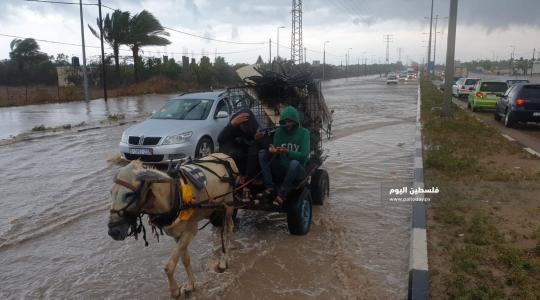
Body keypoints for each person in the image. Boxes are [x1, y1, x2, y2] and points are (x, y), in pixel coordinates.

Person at [258, 106, 310, 206]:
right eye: (285, 121)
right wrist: (273, 150)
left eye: (290, 121)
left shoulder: (304, 133)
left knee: (294, 163)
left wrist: (287, 152)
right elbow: (277, 150)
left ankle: (282, 194)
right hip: (281, 168)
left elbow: (304, 155)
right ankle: (270, 187)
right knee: (262, 153)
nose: (287, 124)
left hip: (297, 170)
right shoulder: (278, 132)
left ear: (295, 121)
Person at [218, 108, 263, 201]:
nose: (243, 128)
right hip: (235, 156)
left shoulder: (253, 127)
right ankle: (235, 181)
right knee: (231, 151)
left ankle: (247, 185)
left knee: (254, 150)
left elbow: (259, 142)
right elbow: (220, 139)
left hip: (249, 160)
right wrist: (232, 124)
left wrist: (256, 138)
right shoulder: (233, 126)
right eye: (241, 125)